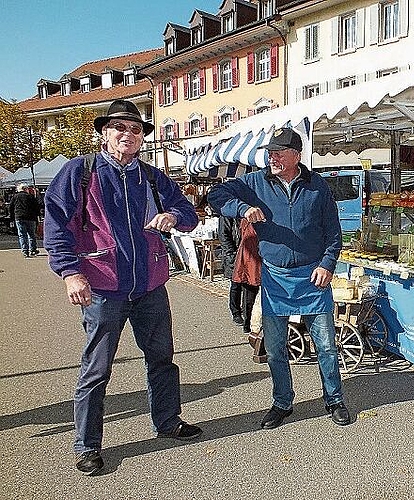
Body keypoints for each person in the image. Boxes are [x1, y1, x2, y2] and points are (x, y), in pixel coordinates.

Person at [43, 99, 202, 476]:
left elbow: (189, 214)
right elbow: (57, 225)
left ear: (142, 137)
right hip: (102, 287)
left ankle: (167, 422)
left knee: (162, 359)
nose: (127, 135)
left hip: (150, 284)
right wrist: (69, 272)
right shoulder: (79, 171)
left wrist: (173, 215)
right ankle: (87, 445)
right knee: (96, 370)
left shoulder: (151, 176)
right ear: (103, 133)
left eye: (135, 129)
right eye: (119, 127)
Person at [208, 127, 351, 429]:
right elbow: (216, 195)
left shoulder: (318, 187)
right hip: (275, 277)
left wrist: (327, 263)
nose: (272, 157)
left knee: (325, 345)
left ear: (296, 155)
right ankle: (282, 401)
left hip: (314, 276)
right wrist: (243, 208)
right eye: (270, 152)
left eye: (278, 153)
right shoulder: (255, 182)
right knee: (275, 349)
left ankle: (334, 398)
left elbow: (334, 232)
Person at [233, 218, 262, 334]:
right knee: (250, 292)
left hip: (252, 254)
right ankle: (249, 324)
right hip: (251, 256)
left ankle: (250, 324)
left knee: (250, 292)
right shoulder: (251, 217)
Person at [218, 215, 244, 325]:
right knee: (236, 285)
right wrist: (231, 255)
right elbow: (224, 235)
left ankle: (247, 311)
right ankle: (236, 312)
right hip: (234, 254)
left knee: (249, 286)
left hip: (246, 253)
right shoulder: (226, 215)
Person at [9, 183, 41, 257]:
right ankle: (33, 249)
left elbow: (11, 207)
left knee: (22, 235)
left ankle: (25, 251)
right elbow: (37, 207)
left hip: (19, 217)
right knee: (31, 235)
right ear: (25, 189)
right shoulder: (31, 197)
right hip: (30, 218)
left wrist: (12, 217)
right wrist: (37, 215)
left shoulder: (15, 197)